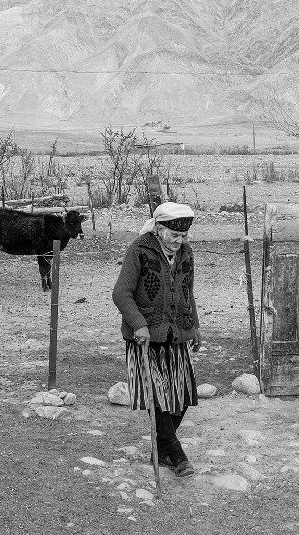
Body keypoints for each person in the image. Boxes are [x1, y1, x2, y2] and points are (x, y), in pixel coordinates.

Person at [112, 200, 201, 478]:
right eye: (174, 235)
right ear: (159, 229)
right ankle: (177, 455)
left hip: (178, 334)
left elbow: (188, 292)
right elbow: (121, 293)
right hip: (145, 338)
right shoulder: (139, 250)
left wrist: (195, 326)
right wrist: (138, 324)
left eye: (183, 235)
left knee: (184, 394)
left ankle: (161, 450)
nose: (179, 240)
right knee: (158, 397)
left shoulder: (186, 253)